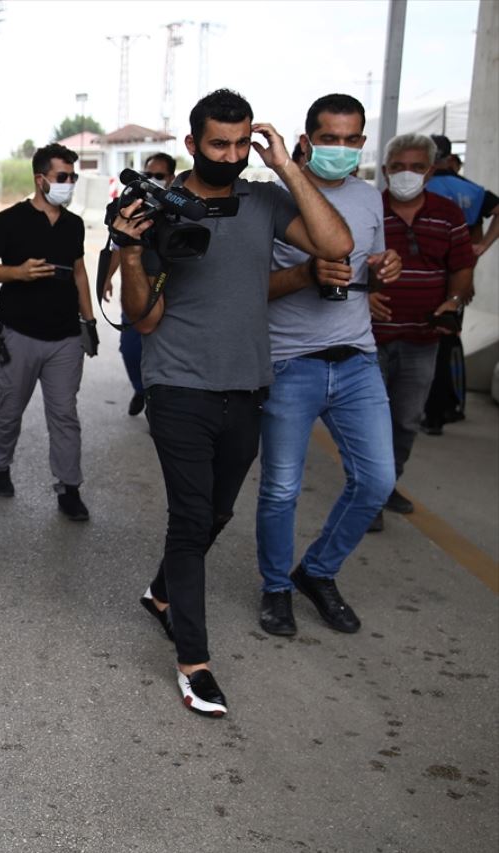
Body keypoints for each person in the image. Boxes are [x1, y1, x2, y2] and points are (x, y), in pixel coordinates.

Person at [114, 89, 352, 717]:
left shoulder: (266, 199)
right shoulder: (161, 208)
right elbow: (143, 319)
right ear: (192, 144)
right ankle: (194, 662)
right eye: (218, 144)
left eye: (242, 143)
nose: (231, 154)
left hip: (247, 385)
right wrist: (131, 250)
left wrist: (287, 167)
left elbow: (334, 246)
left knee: (218, 512)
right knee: (191, 519)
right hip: (179, 385)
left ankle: (162, 594)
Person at [257, 93, 401, 637]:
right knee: (280, 489)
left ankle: (316, 571)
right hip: (291, 363)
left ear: (362, 143)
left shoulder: (369, 199)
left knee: (376, 481)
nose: (340, 148)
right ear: (307, 138)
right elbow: (248, 292)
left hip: (358, 360)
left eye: (350, 139)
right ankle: (275, 588)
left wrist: (386, 267)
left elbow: (369, 267)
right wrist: (305, 274)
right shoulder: (274, 201)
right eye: (329, 138)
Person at [0, 143, 96, 520]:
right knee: (10, 410)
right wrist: (17, 273)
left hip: (64, 339)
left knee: (65, 415)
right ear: (40, 178)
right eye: (63, 177)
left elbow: (78, 272)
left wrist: (88, 323)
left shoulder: (73, 225)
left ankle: (69, 488)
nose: (69, 184)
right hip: (18, 335)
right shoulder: (10, 220)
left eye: (73, 177)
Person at [371, 133, 476, 526]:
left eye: (416, 167)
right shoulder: (370, 209)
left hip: (422, 340)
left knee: (406, 419)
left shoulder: (448, 215)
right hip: (372, 339)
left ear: (431, 171)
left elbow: (462, 267)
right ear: (385, 171)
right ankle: (368, 497)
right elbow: (341, 258)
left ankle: (385, 484)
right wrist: (362, 297)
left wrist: (453, 300)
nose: (406, 174)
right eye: (398, 167)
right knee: (371, 421)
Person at [419, 136, 497, 432]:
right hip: (456, 284)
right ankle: (442, 412)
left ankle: (421, 410)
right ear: (450, 157)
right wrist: (481, 249)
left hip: (419, 282)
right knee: (445, 342)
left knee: (417, 347)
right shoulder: (472, 191)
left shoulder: (419, 189)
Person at [103, 152, 176, 416]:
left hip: (168, 293)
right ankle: (140, 389)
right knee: (131, 348)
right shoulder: (133, 208)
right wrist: (107, 279)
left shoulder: (178, 211)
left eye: (159, 176)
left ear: (171, 178)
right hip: (136, 292)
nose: (153, 181)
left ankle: (159, 401)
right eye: (148, 175)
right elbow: (115, 246)